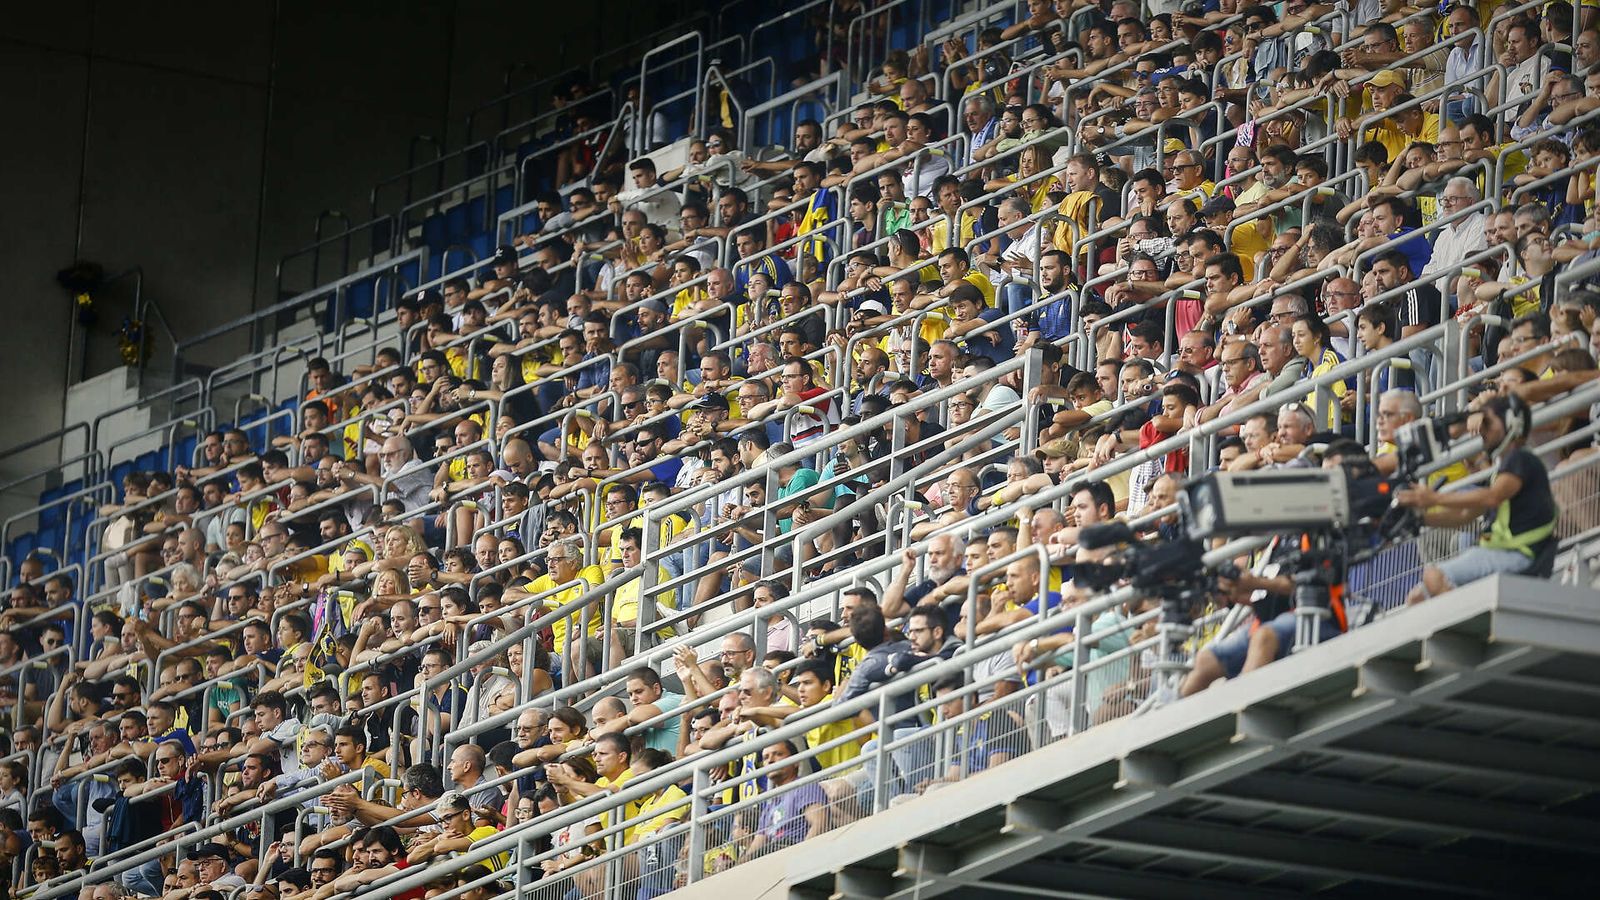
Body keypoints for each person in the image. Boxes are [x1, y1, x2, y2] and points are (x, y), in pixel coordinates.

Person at [1398, 396, 1558, 604]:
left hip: (1517, 554)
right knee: (1417, 597)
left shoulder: (1521, 459)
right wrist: (1420, 520)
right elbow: (1464, 516)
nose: (1482, 430)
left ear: (1513, 422)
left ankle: (1470, 623)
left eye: (1488, 423)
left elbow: (1492, 497)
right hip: (1497, 552)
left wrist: (1433, 498)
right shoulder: (1503, 469)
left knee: (1434, 576)